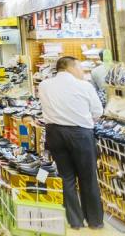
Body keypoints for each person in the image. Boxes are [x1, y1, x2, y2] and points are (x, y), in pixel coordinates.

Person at [38, 56, 104, 230]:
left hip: (54, 134)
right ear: (71, 67)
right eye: (80, 67)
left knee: (66, 177)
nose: (82, 71)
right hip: (80, 133)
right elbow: (98, 111)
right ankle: (95, 221)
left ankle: (75, 221)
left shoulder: (44, 85)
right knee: (87, 177)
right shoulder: (84, 86)